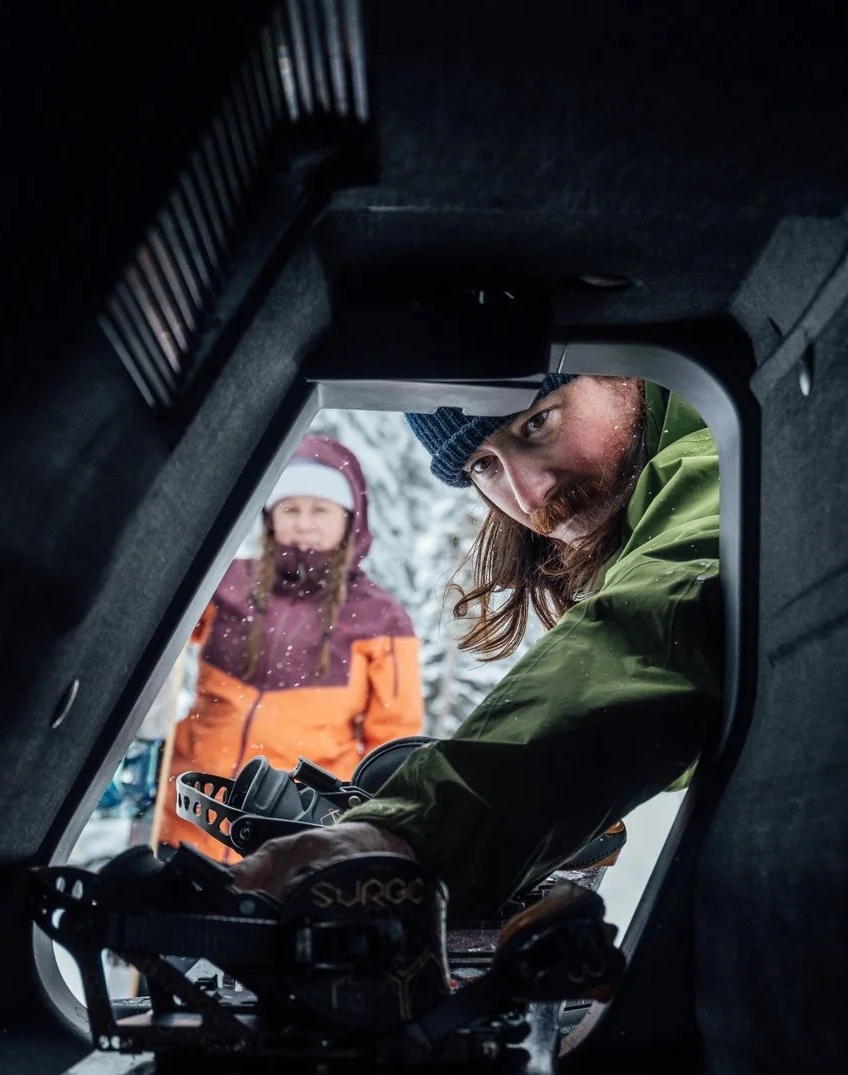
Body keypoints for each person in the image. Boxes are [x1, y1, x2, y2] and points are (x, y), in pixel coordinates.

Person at [232, 374, 721, 913]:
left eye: (538, 422)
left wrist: (407, 834)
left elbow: (650, 629)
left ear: (621, 371)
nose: (529, 495)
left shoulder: (722, 469)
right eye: (483, 465)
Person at [156, 434, 424, 860]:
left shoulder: (379, 618)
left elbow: (392, 740)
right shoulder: (225, 584)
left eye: (320, 508)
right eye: (291, 508)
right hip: (190, 811)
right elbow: (158, 638)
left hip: (294, 829)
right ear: (270, 516)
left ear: (350, 518)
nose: (304, 522)